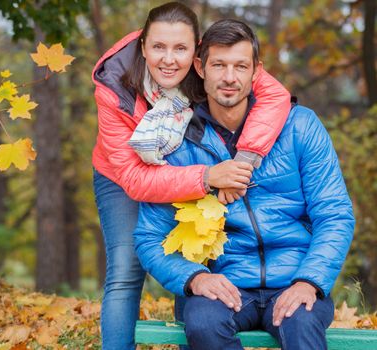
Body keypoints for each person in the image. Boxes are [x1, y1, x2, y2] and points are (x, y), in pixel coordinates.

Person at [133, 19, 355, 350]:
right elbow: (149, 238)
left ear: (256, 71)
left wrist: (309, 281)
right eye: (219, 65)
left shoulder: (301, 126)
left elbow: (335, 214)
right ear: (200, 67)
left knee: (303, 324)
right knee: (203, 323)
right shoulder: (178, 142)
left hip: (295, 276)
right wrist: (195, 278)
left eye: (240, 66)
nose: (229, 77)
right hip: (223, 281)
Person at [92, 3, 291, 348]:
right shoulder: (114, 88)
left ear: (196, 51)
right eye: (158, 47)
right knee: (126, 271)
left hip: (194, 164)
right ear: (143, 45)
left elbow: (275, 96)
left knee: (195, 261)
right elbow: (136, 179)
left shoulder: (212, 66)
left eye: (180, 49)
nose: (169, 59)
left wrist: (244, 161)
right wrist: (208, 177)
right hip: (123, 177)